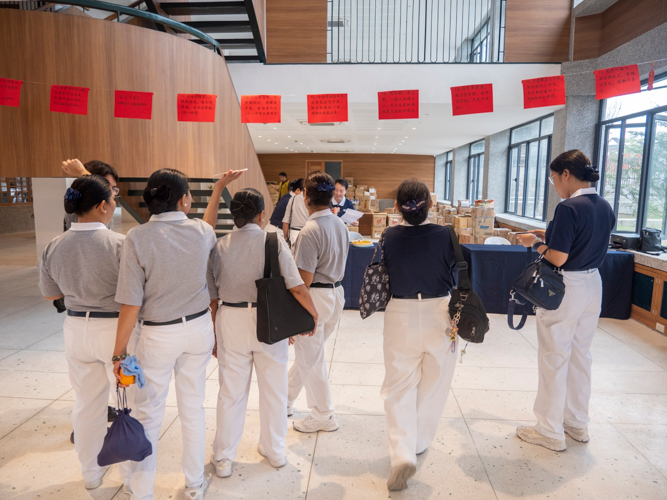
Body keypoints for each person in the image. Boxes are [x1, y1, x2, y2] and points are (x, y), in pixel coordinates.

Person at [111, 168, 240, 500]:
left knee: (149, 415)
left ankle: (141, 492)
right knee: (193, 409)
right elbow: (207, 224)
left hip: (156, 335)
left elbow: (130, 303)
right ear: (184, 200)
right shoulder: (200, 233)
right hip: (198, 329)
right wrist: (218, 190)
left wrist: (119, 352)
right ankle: (194, 484)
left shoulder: (137, 238)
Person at [203, 185, 318, 478]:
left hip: (229, 318)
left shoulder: (218, 245)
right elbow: (295, 286)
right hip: (269, 320)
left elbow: (212, 298)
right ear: (262, 214)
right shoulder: (273, 240)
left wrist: (216, 334)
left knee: (231, 391)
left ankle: (224, 457)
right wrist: (311, 315)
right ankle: (275, 450)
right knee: (274, 388)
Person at [516, 150, 614, 452]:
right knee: (581, 355)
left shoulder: (568, 207)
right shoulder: (604, 206)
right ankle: (576, 422)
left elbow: (558, 256)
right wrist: (547, 235)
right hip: (592, 284)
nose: (554, 184)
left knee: (554, 356)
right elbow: (582, 240)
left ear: (566, 175)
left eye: (553, 178)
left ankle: (548, 429)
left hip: (565, 286)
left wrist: (534, 242)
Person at [38, 175, 124, 491]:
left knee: (87, 404)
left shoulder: (54, 245)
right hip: (115, 330)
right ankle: (130, 476)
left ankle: (90, 474)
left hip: (75, 328)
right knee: (127, 403)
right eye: (113, 199)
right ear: (102, 206)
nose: (114, 204)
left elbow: (50, 295)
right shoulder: (120, 244)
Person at [379, 179, 459, 491]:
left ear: (396, 206)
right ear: (430, 204)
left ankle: (401, 453)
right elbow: (456, 273)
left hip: (400, 312)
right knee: (435, 382)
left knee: (398, 386)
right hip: (440, 312)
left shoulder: (389, 236)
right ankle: (419, 441)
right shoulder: (446, 234)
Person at [288, 171, 350, 433]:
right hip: (336, 295)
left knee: (311, 359)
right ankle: (285, 399)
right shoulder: (340, 225)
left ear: (306, 198)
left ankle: (323, 414)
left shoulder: (310, 231)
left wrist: (294, 313)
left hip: (315, 297)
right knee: (308, 356)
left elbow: (303, 282)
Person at [61, 159, 120, 231]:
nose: (112, 194)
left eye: (113, 189)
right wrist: (81, 171)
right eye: (106, 187)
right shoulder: (80, 211)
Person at [282, 179, 309, 247]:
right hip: (309, 233)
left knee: (294, 257)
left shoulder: (292, 199)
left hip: (294, 234)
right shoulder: (312, 200)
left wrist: (285, 238)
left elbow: (286, 222)